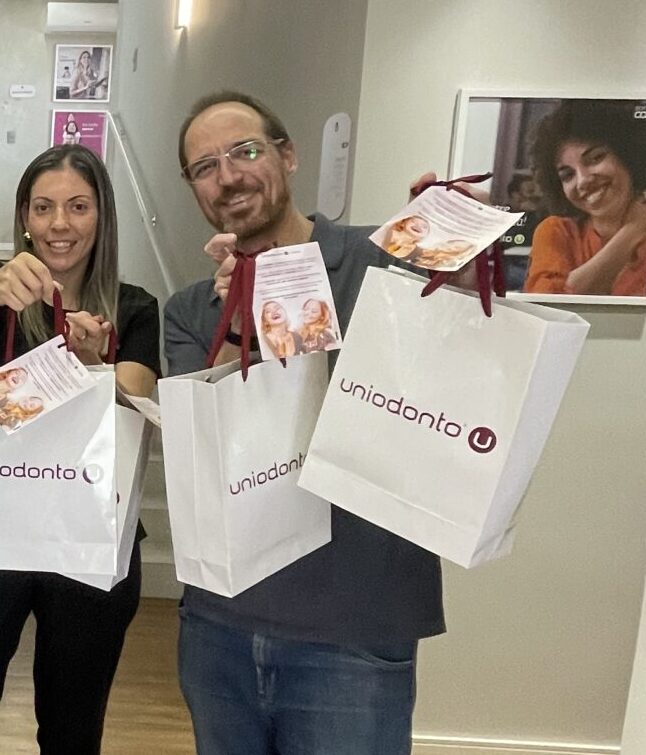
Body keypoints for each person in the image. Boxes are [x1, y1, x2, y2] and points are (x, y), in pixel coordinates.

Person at [165, 91, 447, 754]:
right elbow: (208, 452)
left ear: (288, 155)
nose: (228, 176)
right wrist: (242, 328)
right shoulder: (191, 312)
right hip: (220, 628)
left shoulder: (384, 263)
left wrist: (454, 253)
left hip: (353, 631)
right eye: (205, 167)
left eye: (245, 151)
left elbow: (456, 365)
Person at [0, 143, 160, 754]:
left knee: (72, 729)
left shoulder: (134, 307)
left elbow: (137, 397)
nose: (59, 224)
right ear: (24, 216)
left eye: (78, 206)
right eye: (44, 207)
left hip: (88, 534)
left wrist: (94, 363)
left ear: (101, 216)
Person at [523, 100, 646, 297]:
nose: (583, 181)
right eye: (568, 175)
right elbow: (546, 305)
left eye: (596, 158)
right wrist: (631, 233)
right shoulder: (557, 232)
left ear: (628, 155)